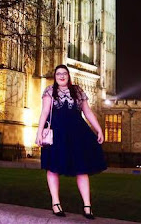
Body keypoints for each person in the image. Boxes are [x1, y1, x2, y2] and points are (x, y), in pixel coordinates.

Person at [36, 64, 107, 219]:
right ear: (55, 77)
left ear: (68, 76)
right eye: (58, 74)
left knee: (82, 168)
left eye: (64, 74)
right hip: (57, 134)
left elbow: (87, 111)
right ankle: (56, 203)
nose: (61, 76)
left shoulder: (78, 91)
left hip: (77, 133)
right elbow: (45, 112)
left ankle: (87, 206)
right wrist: (39, 132)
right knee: (53, 167)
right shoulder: (49, 91)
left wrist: (98, 129)